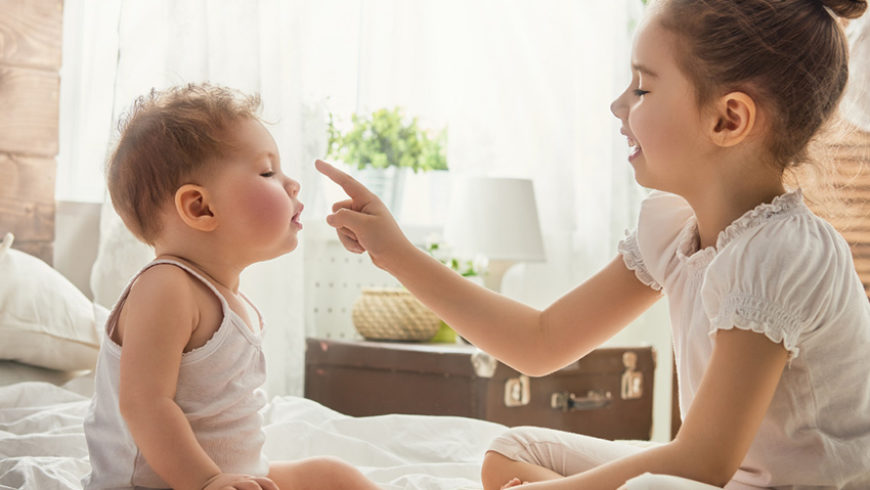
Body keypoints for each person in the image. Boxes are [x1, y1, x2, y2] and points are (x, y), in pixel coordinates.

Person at [315, 0, 870, 488]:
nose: (618, 105)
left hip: (756, 482)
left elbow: (703, 463)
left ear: (729, 119)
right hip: (710, 478)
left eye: (643, 87)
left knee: (654, 485)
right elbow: (539, 343)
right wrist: (396, 253)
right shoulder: (675, 230)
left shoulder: (783, 251)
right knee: (511, 454)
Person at [82, 83, 380, 490]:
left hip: (235, 477)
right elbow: (144, 405)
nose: (292, 184)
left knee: (333, 476)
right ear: (200, 207)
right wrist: (207, 482)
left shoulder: (228, 297)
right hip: (168, 484)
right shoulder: (166, 285)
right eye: (267, 171)